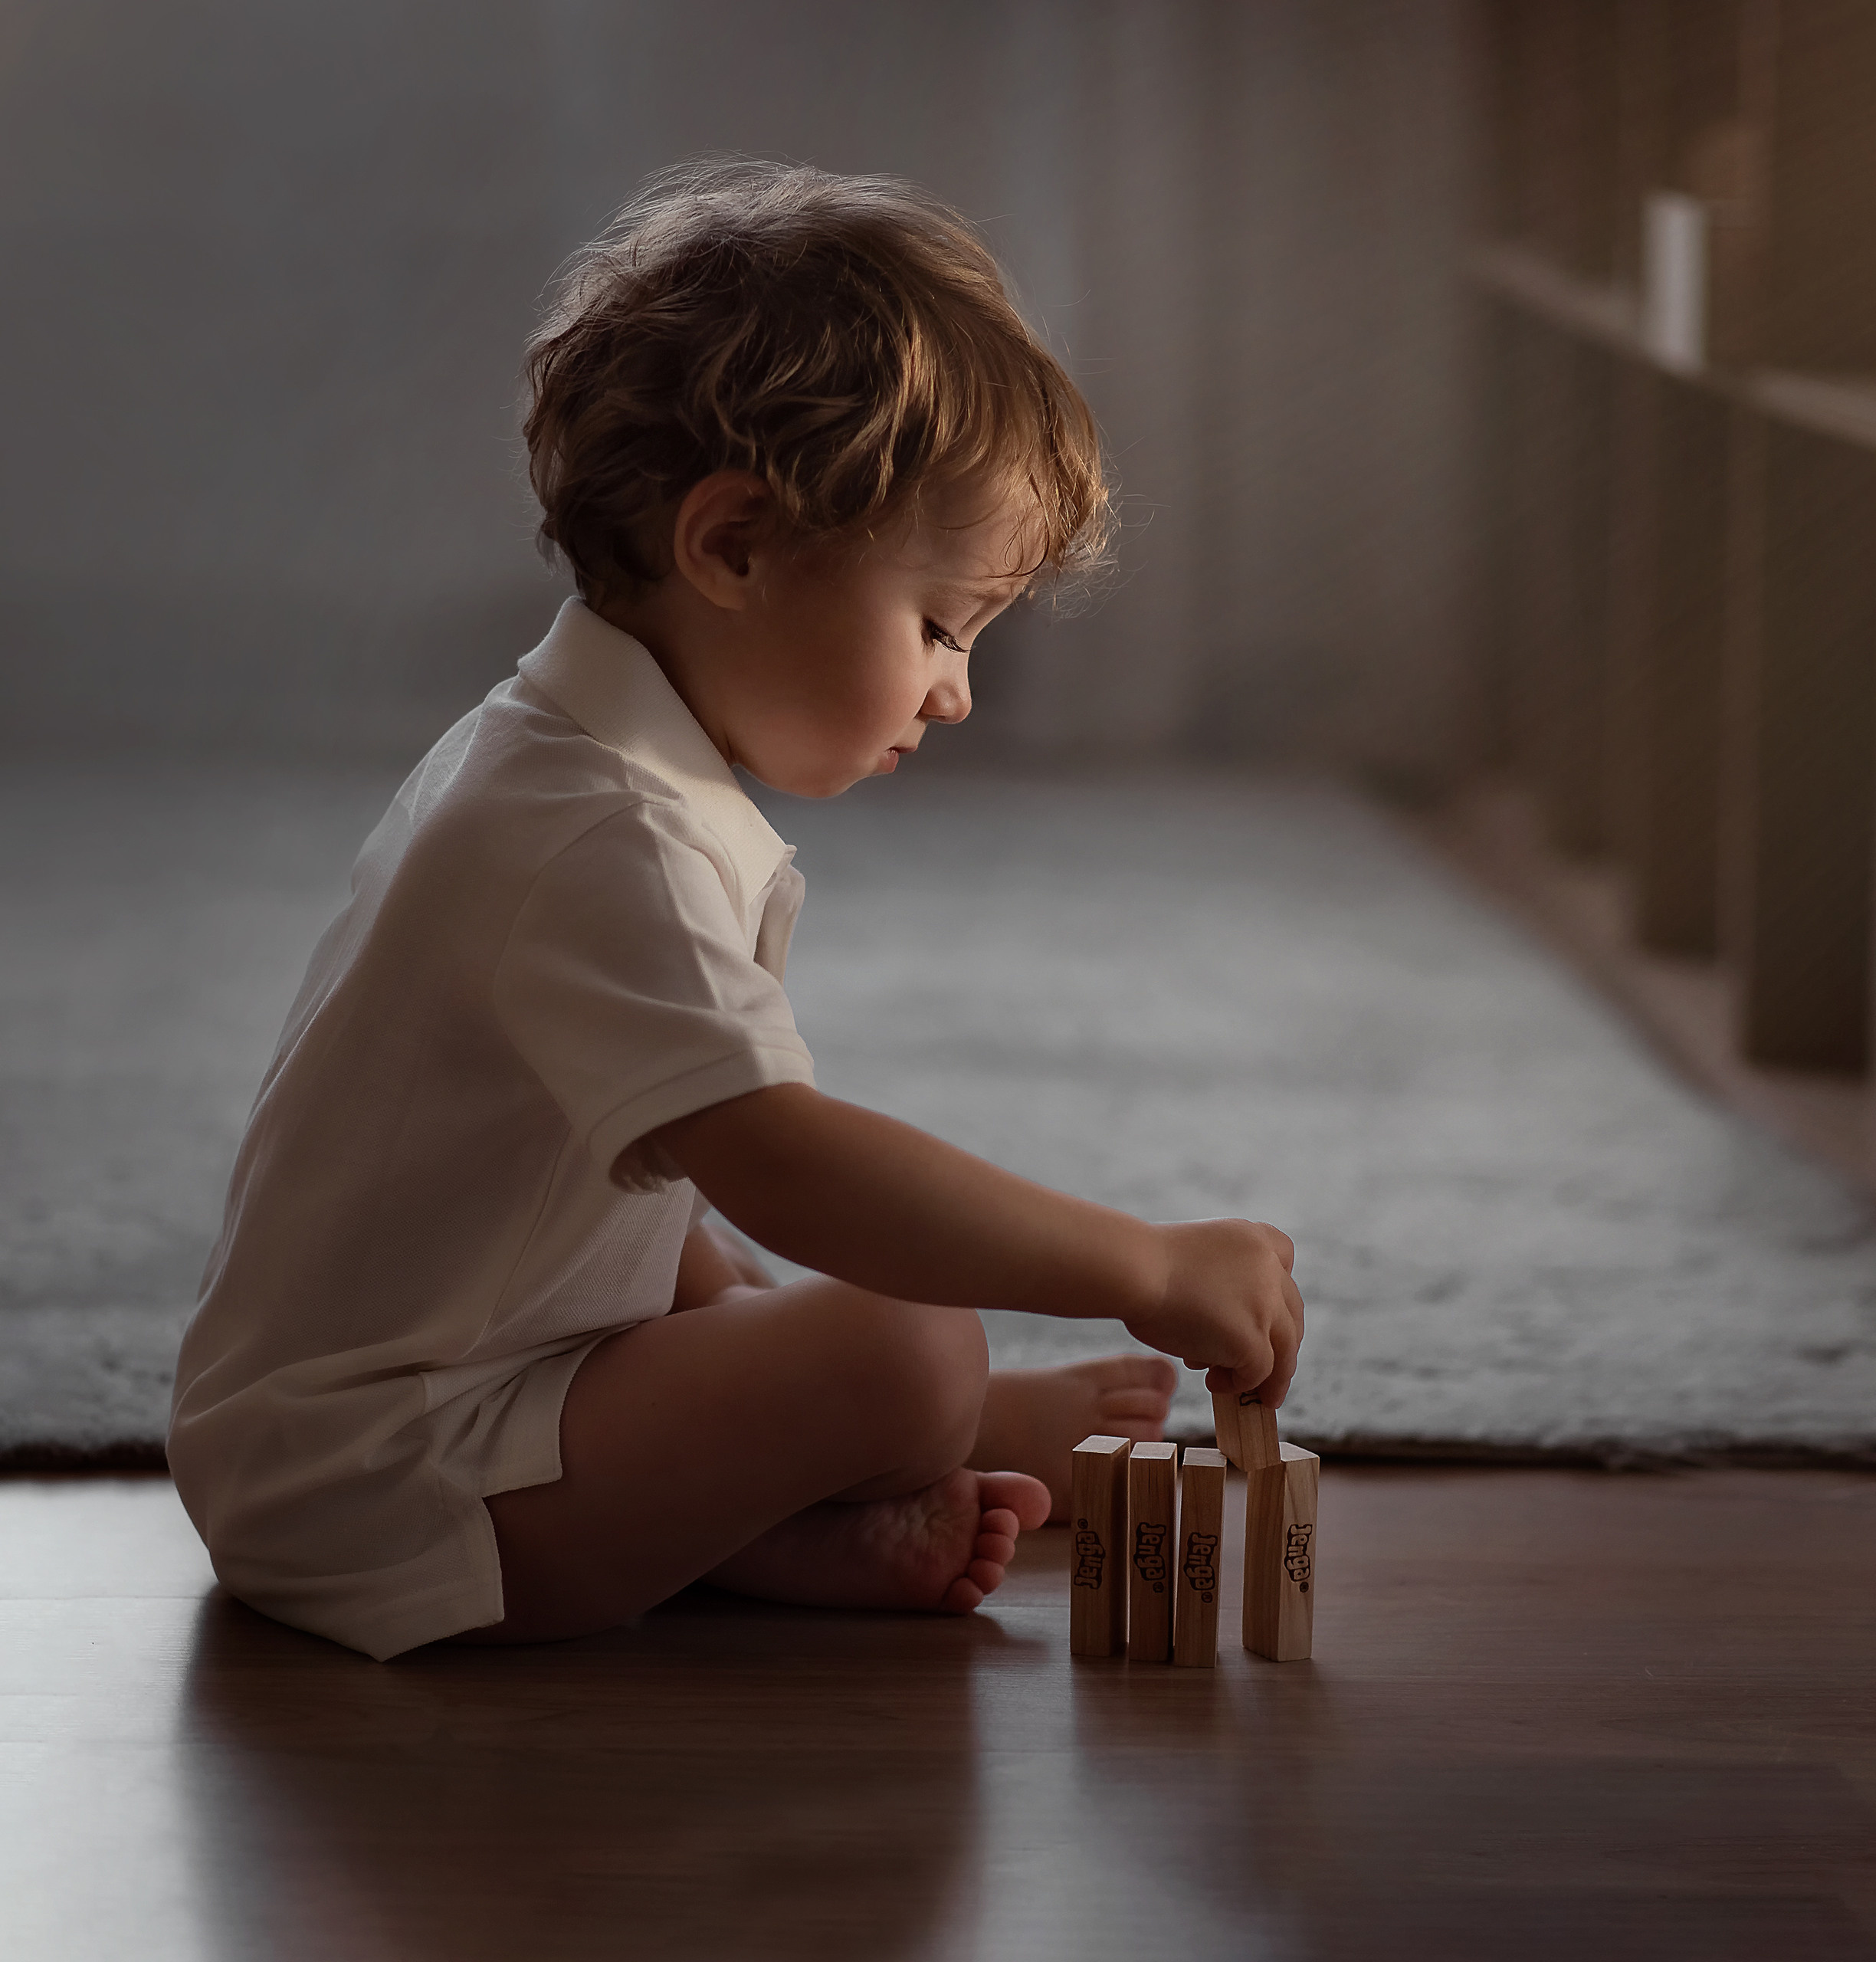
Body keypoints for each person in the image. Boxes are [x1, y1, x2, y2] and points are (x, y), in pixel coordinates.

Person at [167, 160, 1304, 1662]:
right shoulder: (591, 833)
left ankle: (811, 1501)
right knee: (898, 1339)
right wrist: (1142, 1261)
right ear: (734, 546)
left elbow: (627, 1180)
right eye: (942, 625)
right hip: (378, 1479)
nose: (956, 689)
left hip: (456, 1395)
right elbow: (780, 1164)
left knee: (814, 1324)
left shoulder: (569, 755)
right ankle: (846, 1470)